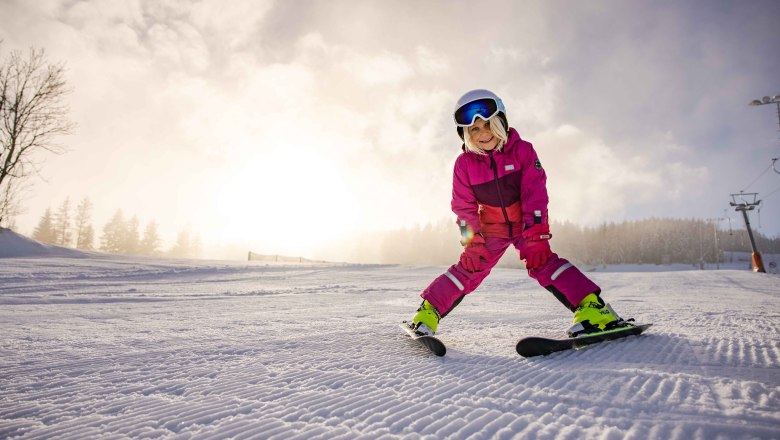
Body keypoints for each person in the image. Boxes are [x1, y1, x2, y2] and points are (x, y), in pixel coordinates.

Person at [409, 89, 628, 338]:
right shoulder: (464, 165)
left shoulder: (523, 151)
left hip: (525, 223)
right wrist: (471, 242)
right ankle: (427, 313)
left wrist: (536, 235)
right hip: (492, 227)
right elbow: (463, 208)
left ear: (501, 122)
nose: (483, 134)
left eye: (488, 125)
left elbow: (536, 193)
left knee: (543, 262)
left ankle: (593, 309)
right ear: (466, 135)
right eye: (475, 130)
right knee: (470, 266)